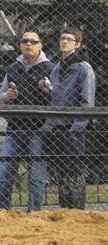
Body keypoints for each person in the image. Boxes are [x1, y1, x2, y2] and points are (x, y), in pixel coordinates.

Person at [0, 31, 55, 211]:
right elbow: (0, 96)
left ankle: (34, 214)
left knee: (36, 177)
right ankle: (2, 213)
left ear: (40, 45)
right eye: (25, 41)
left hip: (39, 129)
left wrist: (47, 90)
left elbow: (58, 96)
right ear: (20, 45)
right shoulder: (13, 68)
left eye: (33, 41)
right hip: (14, 128)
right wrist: (8, 95)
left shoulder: (50, 68)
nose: (29, 44)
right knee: (3, 173)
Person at [44, 28, 96, 209]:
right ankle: (65, 210)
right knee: (62, 172)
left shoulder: (83, 68)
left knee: (74, 172)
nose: (64, 41)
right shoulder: (56, 68)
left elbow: (87, 101)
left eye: (69, 39)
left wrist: (76, 128)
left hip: (73, 128)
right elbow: (55, 98)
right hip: (57, 128)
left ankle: (77, 211)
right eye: (62, 38)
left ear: (77, 44)